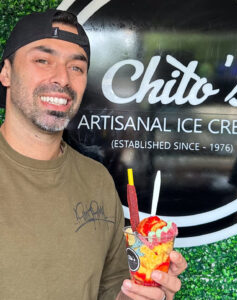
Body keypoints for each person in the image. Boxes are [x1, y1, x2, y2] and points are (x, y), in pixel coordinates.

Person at [0, 9, 187, 300]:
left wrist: (142, 291)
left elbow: (111, 289)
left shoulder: (96, 179)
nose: (62, 78)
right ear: (6, 72)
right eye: (42, 60)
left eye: (76, 67)